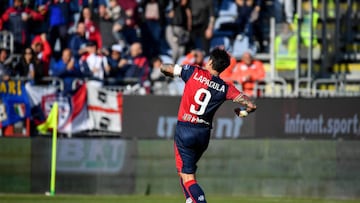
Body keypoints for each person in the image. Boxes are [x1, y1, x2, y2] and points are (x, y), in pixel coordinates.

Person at [160, 48, 256, 203]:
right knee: (184, 170)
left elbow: (166, 68)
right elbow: (251, 105)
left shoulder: (192, 72)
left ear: (210, 62)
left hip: (185, 129)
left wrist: (166, 70)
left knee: (188, 176)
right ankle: (190, 201)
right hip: (203, 134)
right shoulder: (226, 87)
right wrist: (242, 113)